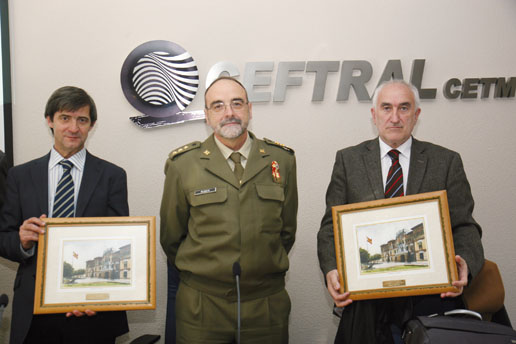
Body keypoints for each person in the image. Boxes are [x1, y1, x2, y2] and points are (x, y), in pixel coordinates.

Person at [317, 80, 484, 343]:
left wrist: (466, 264)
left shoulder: (446, 161)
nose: (395, 117)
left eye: (404, 108)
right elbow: (330, 228)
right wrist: (330, 269)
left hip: (431, 301)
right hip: (366, 306)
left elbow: (464, 226)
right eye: (386, 108)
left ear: (416, 115)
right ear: (374, 115)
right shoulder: (348, 161)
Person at [160, 76, 298, 344]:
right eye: (218, 106)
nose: (229, 113)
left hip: (265, 305)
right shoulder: (183, 164)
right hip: (203, 306)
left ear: (249, 109)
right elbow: (171, 237)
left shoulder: (282, 160)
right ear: (207, 116)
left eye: (237, 103)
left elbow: (286, 232)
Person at [0, 86, 130, 344]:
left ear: (92, 125)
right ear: (49, 120)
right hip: (34, 310)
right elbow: (4, 238)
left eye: (82, 120)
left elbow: (119, 242)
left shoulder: (113, 176)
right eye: (65, 118)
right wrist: (22, 241)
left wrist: (99, 295)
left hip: (93, 310)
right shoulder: (19, 176)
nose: (73, 128)